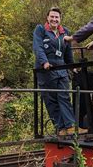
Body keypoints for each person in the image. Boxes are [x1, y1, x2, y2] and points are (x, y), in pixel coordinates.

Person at [33, 7, 86, 135]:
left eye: (57, 17)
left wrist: (72, 66)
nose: (54, 19)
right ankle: (60, 128)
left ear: (60, 19)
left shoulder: (64, 32)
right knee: (51, 99)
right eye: (52, 16)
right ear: (47, 17)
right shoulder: (40, 30)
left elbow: (67, 53)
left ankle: (70, 126)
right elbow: (38, 47)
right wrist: (44, 62)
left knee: (64, 96)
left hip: (61, 69)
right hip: (46, 70)